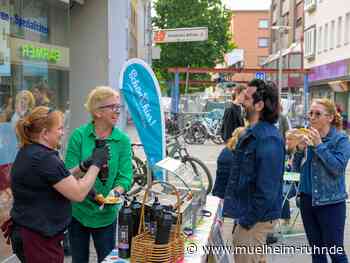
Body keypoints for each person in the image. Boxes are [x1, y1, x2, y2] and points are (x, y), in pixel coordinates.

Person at [5, 106, 109, 263]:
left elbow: (58, 178)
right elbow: (78, 193)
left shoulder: (31, 151)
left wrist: (83, 166)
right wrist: (97, 164)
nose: (62, 132)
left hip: (31, 232)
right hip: (37, 238)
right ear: (45, 134)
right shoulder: (44, 158)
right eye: (59, 128)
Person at [65, 86, 133, 263]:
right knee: (79, 260)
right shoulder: (79, 136)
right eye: (113, 107)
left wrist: (115, 193)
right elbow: (69, 173)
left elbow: (125, 176)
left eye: (119, 107)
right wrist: (92, 194)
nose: (117, 111)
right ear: (97, 112)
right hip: (78, 212)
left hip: (106, 215)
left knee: (107, 259)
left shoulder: (122, 140)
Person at [223, 79, 285, 263]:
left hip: (255, 220)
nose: (242, 101)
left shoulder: (267, 139)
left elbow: (267, 190)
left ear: (259, 105)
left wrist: (247, 221)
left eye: (247, 97)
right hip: (249, 216)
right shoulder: (252, 133)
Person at [290, 98, 350, 263]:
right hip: (308, 201)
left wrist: (318, 145)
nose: (312, 117)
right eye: (310, 113)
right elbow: (296, 170)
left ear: (330, 117)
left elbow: (337, 168)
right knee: (317, 253)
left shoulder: (341, 140)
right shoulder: (307, 136)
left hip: (331, 203)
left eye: (317, 114)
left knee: (336, 253)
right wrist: (299, 151)